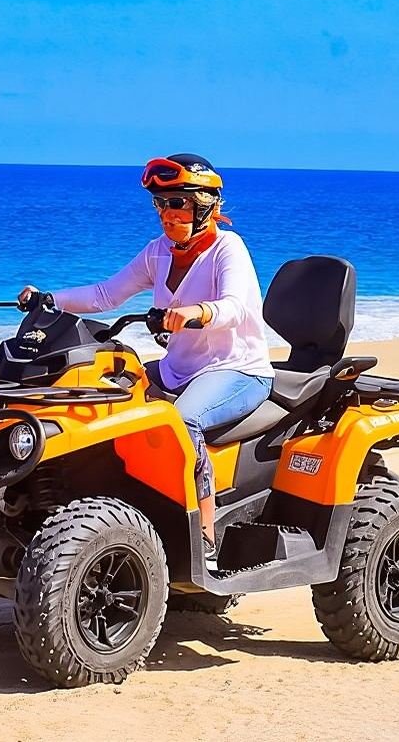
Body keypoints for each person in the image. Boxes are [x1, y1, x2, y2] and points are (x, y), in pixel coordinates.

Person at [19, 153, 274, 561]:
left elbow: (236, 308)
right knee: (101, 397)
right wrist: (50, 300)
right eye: (160, 203)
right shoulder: (159, 252)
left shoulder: (229, 248)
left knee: (182, 421)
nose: (166, 213)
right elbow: (107, 294)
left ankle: (204, 535)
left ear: (206, 204)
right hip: (178, 370)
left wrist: (196, 312)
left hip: (236, 370)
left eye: (177, 203)